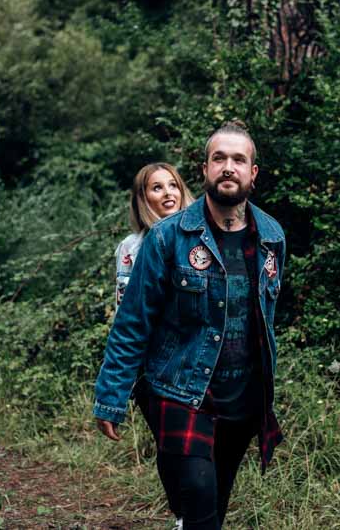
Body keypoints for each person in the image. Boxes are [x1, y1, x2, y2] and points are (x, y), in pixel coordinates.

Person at [94, 121, 286, 529]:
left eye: (239, 159)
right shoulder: (168, 238)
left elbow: (264, 320)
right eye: (219, 158)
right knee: (198, 494)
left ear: (254, 172)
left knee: (214, 498)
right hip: (181, 388)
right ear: (204, 169)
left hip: (241, 396)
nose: (228, 167)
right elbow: (133, 322)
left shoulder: (272, 236)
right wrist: (111, 394)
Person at [115, 163, 195, 307]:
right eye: (157, 188)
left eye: (173, 185)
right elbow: (123, 307)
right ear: (143, 199)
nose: (167, 193)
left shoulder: (201, 238)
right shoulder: (130, 247)